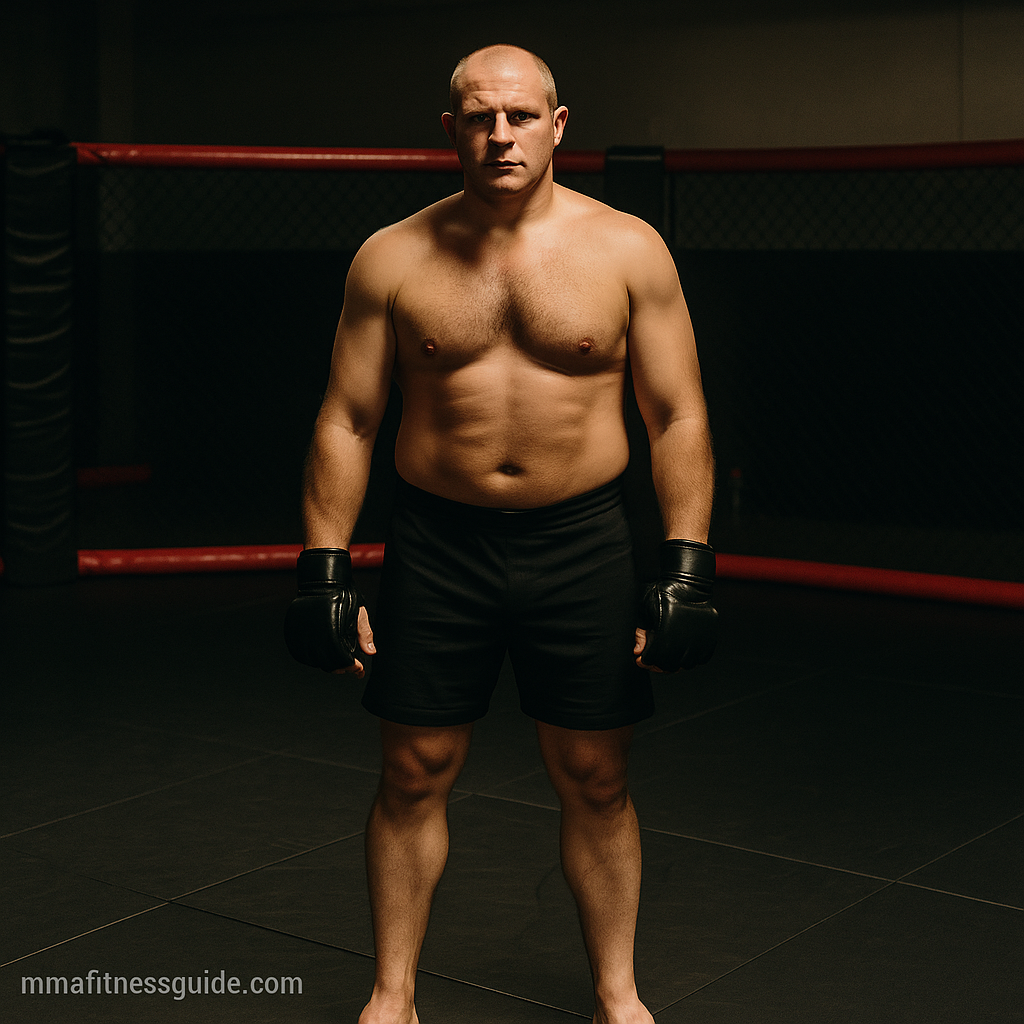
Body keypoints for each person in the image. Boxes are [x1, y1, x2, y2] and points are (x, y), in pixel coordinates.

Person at [285, 44, 717, 1024]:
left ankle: (618, 993)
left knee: (596, 775)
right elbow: (347, 419)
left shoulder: (628, 250)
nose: (501, 134)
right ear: (451, 131)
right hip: (438, 542)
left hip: (583, 538)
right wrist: (321, 567)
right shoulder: (391, 256)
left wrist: (687, 565)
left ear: (558, 126)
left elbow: (678, 415)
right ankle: (391, 995)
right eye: (481, 117)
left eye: (521, 116)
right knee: (412, 769)